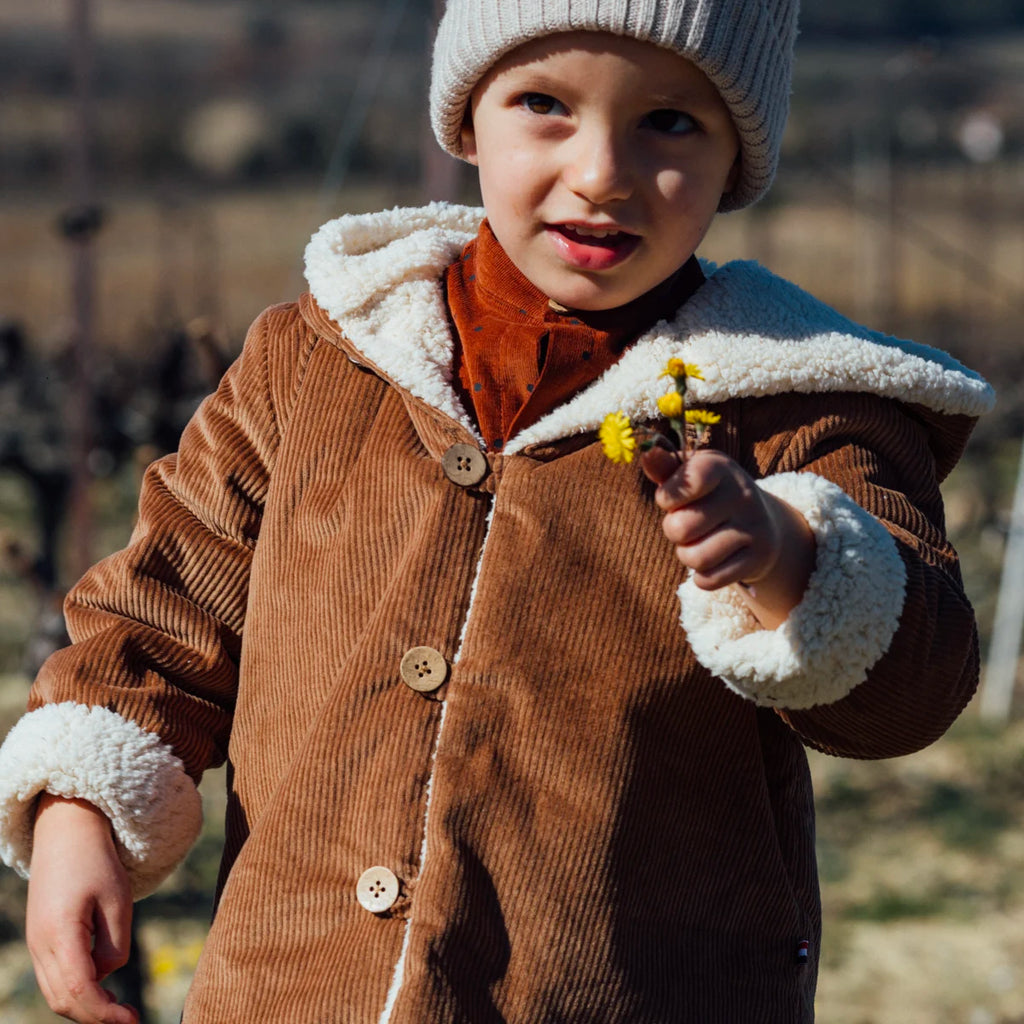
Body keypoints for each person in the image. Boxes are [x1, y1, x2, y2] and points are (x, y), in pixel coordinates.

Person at [0, 0, 996, 1021]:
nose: (602, 171)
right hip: (293, 990)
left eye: (669, 123)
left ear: (737, 159)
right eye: (544, 105)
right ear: (467, 121)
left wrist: (795, 560)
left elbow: (915, 687)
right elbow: (161, 610)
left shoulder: (797, 405)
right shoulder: (315, 363)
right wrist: (82, 805)